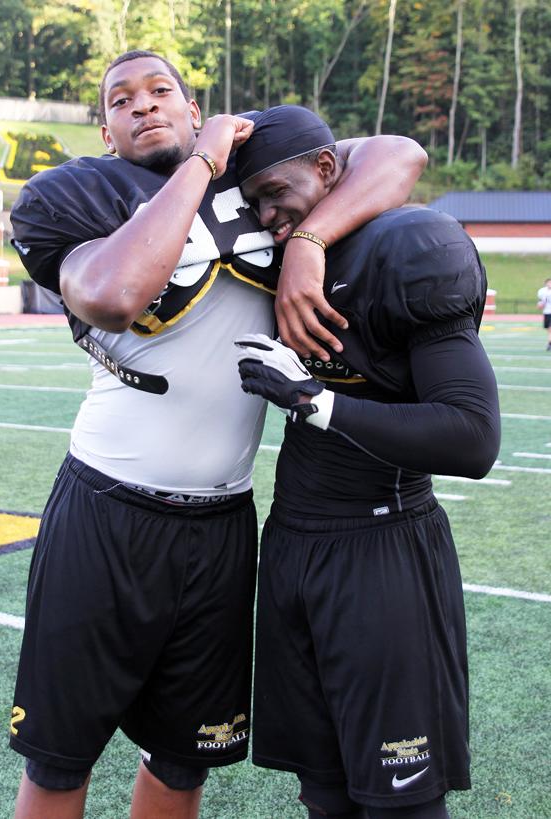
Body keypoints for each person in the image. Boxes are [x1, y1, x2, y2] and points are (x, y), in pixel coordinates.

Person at [8, 53, 426, 819]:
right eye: (122, 101)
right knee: (60, 758)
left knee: (182, 757)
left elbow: (399, 154)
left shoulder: (253, 166)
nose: (144, 106)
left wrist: (308, 239)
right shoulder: (74, 192)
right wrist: (201, 162)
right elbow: (113, 293)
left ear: (195, 105)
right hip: (107, 508)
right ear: (105, 129)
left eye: (160, 91)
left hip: (224, 519)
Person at [234, 105, 501, 819]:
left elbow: (473, 436)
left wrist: (321, 403)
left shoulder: (409, 244)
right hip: (291, 543)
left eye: (274, 194)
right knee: (322, 790)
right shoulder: (279, 237)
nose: (265, 217)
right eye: (254, 202)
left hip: (379, 549)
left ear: (326, 169)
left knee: (401, 802)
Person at [536, 277, 551, 350]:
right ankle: (549, 342)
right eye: (548, 282)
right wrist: (540, 305)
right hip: (546, 312)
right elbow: (539, 304)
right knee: (548, 329)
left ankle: (549, 343)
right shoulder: (542, 291)